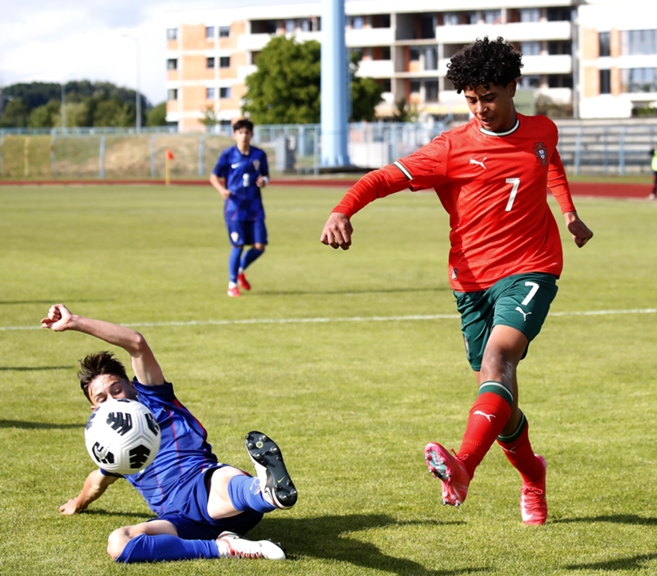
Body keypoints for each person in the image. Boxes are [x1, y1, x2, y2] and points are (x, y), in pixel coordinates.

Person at [319, 37, 593, 526]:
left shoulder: (542, 129)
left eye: (489, 96)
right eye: (471, 100)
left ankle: (462, 467)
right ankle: (533, 476)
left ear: (513, 86)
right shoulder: (451, 148)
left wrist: (568, 214)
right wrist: (343, 210)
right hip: (470, 282)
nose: (480, 108)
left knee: (499, 359)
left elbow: (549, 162)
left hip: (532, 266)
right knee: (499, 398)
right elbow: (383, 178)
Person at [42, 303, 298, 563]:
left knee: (221, 480)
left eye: (116, 390)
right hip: (179, 521)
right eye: (101, 398)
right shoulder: (113, 448)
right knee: (119, 543)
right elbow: (98, 480)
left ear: (132, 386)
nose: (112, 400)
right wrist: (78, 502)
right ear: (94, 409)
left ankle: (262, 492)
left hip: (204, 485)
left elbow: (136, 343)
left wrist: (74, 322)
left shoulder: (155, 398)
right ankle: (224, 547)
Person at [209, 118, 270, 297]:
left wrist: (263, 181)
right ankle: (232, 285)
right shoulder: (228, 155)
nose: (243, 136)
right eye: (240, 132)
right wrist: (222, 190)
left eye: (247, 132)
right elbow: (213, 177)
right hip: (234, 209)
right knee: (238, 245)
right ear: (234, 134)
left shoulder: (259, 154)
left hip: (255, 207)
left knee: (259, 246)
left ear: (252, 134)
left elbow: (266, 175)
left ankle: (240, 269)